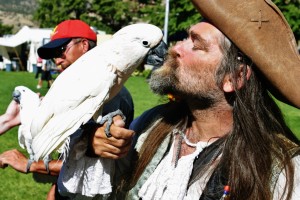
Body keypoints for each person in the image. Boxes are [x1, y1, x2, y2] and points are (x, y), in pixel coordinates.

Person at [89, 1, 300, 199]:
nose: (175, 48)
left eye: (196, 44)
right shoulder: (150, 126)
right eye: (185, 38)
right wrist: (94, 152)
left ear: (234, 77)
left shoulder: (282, 169)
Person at [0, 19, 135, 199]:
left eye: (61, 50)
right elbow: (72, 150)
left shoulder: (111, 95)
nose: (57, 60)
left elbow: (94, 164)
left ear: (84, 45)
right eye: (53, 54)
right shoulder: (73, 89)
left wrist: (29, 164)